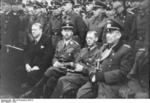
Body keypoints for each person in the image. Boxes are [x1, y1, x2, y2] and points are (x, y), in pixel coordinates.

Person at [20, 21, 81, 98]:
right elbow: (55, 56)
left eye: (69, 31)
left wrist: (63, 65)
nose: (66, 33)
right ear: (62, 32)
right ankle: (41, 96)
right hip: (57, 69)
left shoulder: (76, 46)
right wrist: (55, 62)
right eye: (65, 31)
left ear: (72, 33)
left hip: (67, 70)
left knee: (50, 71)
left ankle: (33, 92)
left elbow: (76, 63)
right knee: (50, 82)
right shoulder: (59, 43)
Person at [77, 18, 134, 98]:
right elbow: (96, 64)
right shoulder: (104, 48)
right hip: (97, 81)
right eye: (107, 32)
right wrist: (92, 73)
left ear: (119, 35)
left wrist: (102, 76)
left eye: (111, 32)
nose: (107, 35)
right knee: (81, 93)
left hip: (112, 85)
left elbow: (123, 73)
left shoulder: (125, 50)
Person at [51, 31, 101, 98]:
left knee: (62, 80)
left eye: (91, 38)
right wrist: (78, 65)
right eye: (87, 38)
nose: (88, 40)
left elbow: (94, 70)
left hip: (86, 77)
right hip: (77, 74)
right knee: (57, 80)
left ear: (96, 39)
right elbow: (76, 62)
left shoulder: (98, 52)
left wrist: (83, 68)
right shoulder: (84, 50)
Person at [20, 22, 54, 88]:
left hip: (42, 67)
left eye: (35, 30)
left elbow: (48, 57)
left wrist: (38, 66)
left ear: (41, 30)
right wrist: (27, 64)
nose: (33, 32)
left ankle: (32, 91)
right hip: (31, 66)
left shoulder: (47, 40)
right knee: (19, 70)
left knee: (32, 75)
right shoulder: (32, 41)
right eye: (32, 30)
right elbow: (27, 54)